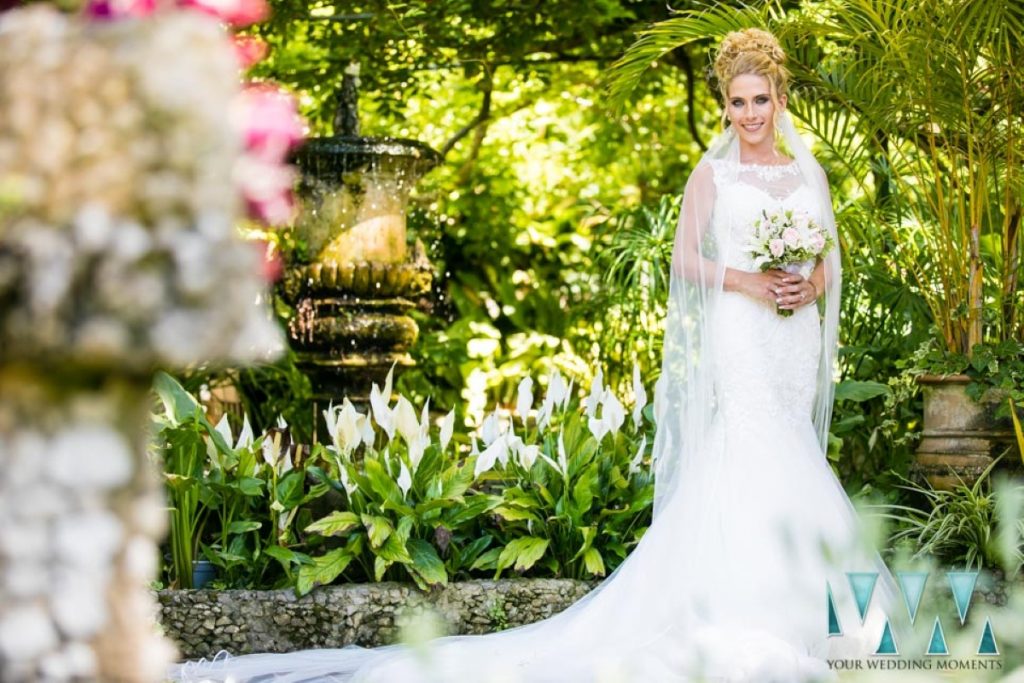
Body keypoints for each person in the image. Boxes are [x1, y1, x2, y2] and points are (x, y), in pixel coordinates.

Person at [174, 28, 900, 683]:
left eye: (760, 100)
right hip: (744, 330)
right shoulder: (714, 176)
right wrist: (747, 279)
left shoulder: (807, 174)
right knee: (748, 448)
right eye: (737, 101)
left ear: (779, 98)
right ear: (724, 104)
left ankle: (821, 614)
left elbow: (830, 257)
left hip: (790, 336)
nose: (749, 113)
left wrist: (808, 288)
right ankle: (747, 611)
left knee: (794, 446)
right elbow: (687, 263)